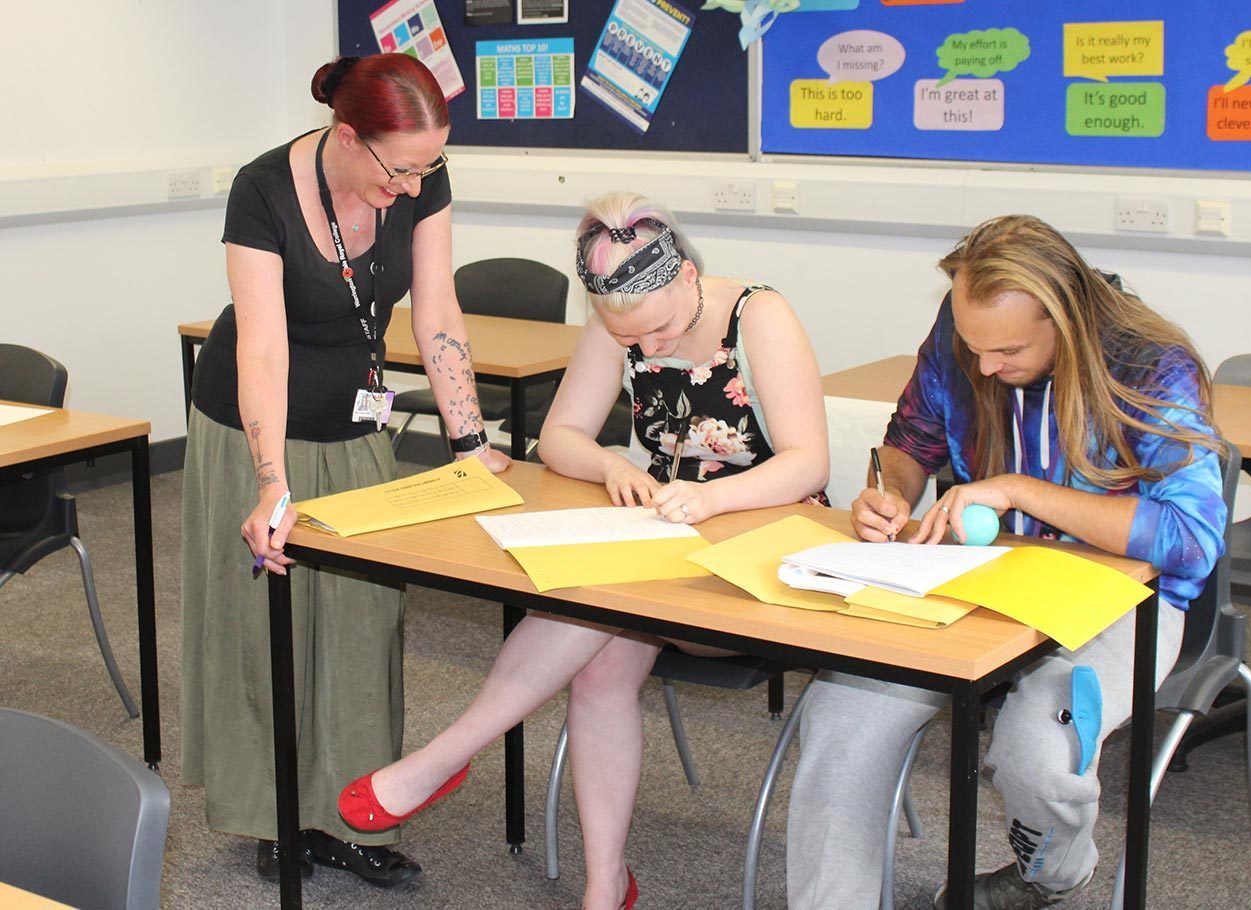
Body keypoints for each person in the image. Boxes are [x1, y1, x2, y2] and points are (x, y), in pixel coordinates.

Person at [336, 191, 830, 909]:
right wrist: (612, 466)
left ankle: (443, 758)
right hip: (661, 550)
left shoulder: (760, 316)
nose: (649, 349)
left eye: (660, 331)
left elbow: (808, 464)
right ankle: (606, 887)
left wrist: (710, 498)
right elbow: (561, 436)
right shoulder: (623, 322)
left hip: (758, 566)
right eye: (633, 339)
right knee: (598, 667)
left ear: (688, 276)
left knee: (592, 616)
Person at [785, 215, 1227, 910]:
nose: (985, 367)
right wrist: (888, 493)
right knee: (844, 715)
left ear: (1064, 317)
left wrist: (1023, 491)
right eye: (974, 348)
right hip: (974, 580)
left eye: (1008, 351)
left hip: (1116, 598)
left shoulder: (1149, 362)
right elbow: (911, 440)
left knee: (1039, 751)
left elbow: (1189, 537)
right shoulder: (968, 330)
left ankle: (1052, 874)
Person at [181, 54, 509, 887]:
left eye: (429, 166)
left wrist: (472, 445)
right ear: (348, 137)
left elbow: (436, 307)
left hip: (356, 422)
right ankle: (276, 815)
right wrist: (268, 481)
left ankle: (354, 809)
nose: (413, 184)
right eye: (400, 168)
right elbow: (262, 344)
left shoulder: (421, 177)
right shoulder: (262, 190)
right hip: (255, 426)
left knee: (365, 625)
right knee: (266, 628)